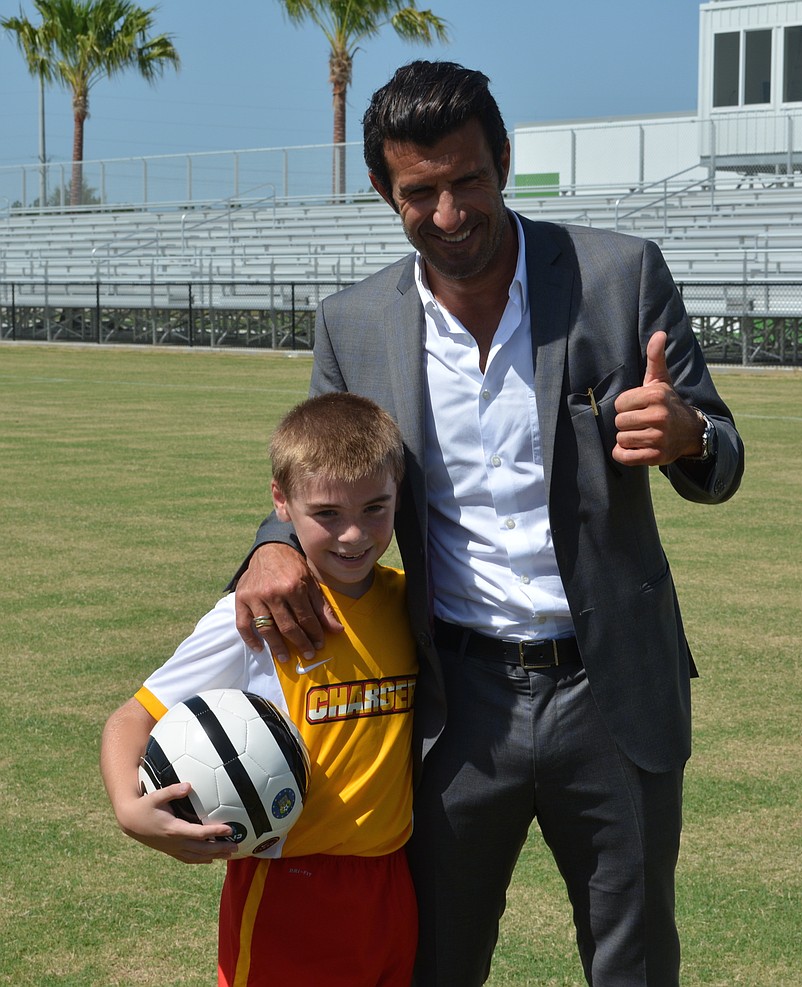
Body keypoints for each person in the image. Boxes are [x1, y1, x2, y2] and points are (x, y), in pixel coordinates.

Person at [231, 61, 746, 987]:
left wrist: (687, 435)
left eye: (469, 178)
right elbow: (326, 464)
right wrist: (270, 549)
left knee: (634, 963)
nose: (451, 211)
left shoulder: (616, 277)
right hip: (454, 705)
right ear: (386, 193)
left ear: (504, 160)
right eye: (420, 191)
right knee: (437, 961)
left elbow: (724, 457)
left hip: (612, 690)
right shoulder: (354, 324)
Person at [101, 392, 418, 987]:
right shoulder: (253, 616)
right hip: (287, 887)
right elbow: (130, 720)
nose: (354, 534)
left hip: (391, 882)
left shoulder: (410, 603)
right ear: (281, 500)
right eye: (326, 513)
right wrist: (129, 810)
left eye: (376, 508)